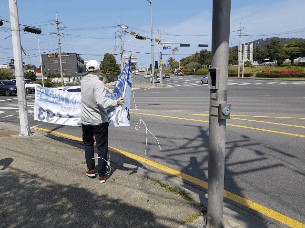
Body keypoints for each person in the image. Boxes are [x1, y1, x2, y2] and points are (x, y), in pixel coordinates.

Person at [80, 72, 124, 183]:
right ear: (97, 69)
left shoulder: (83, 82)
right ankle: (102, 175)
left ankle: (91, 170)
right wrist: (116, 102)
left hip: (86, 120)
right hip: (98, 121)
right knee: (101, 147)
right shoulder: (98, 83)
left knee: (88, 144)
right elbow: (101, 101)